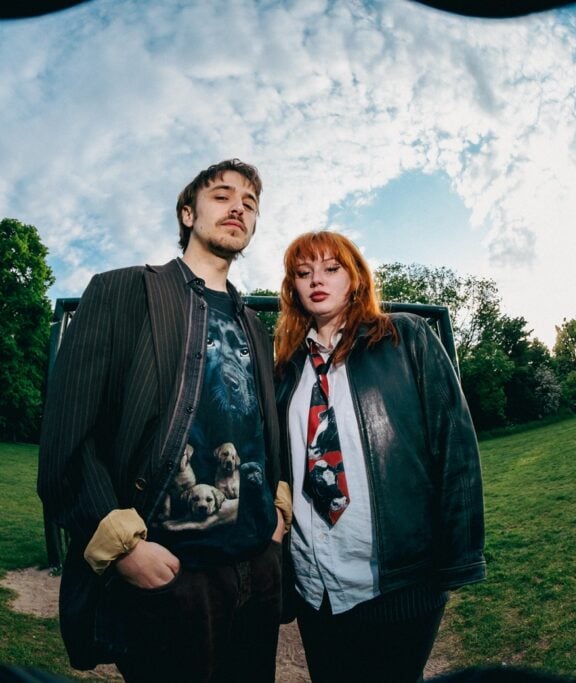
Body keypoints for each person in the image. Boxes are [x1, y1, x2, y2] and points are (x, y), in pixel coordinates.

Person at [37, 159, 288, 682]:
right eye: (222, 195)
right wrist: (123, 549)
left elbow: (267, 434)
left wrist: (277, 517)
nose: (238, 207)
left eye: (250, 202)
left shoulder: (255, 328)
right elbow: (68, 440)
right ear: (187, 213)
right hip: (173, 580)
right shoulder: (123, 292)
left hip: (257, 570)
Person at [273, 231, 486, 682]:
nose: (317, 280)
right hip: (315, 590)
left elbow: (454, 445)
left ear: (354, 278)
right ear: (293, 287)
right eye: (304, 272)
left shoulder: (406, 337)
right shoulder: (286, 370)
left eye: (331, 268)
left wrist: (459, 556)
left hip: (400, 585)